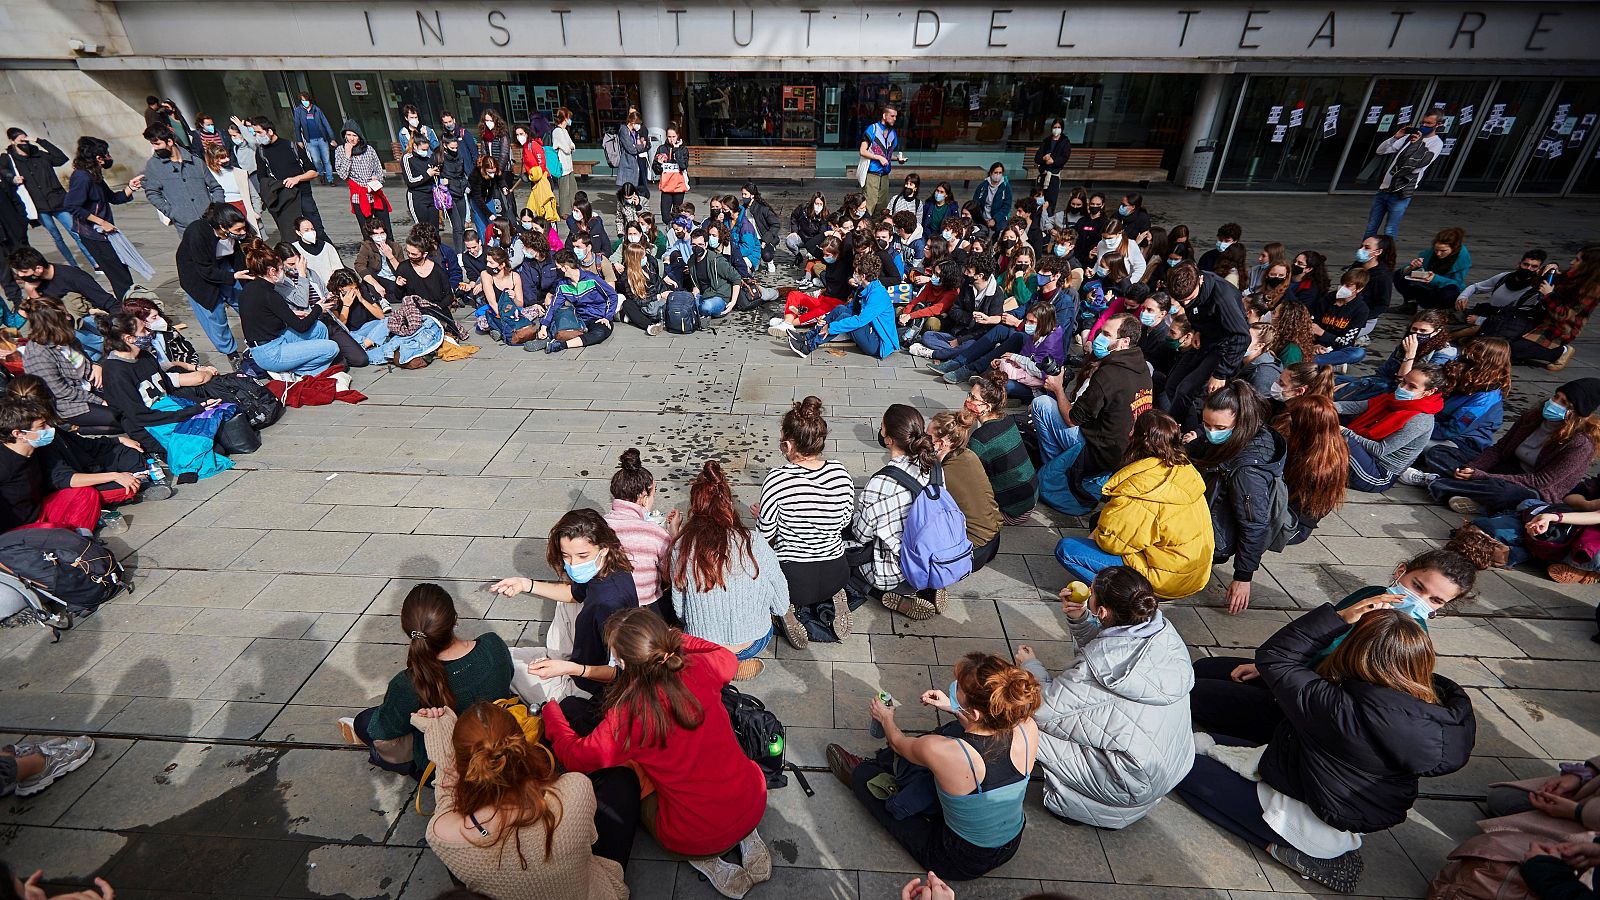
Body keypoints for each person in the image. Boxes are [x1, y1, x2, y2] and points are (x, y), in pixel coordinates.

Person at [1178, 596, 1474, 893]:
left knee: (1174, 765)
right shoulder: (1439, 708)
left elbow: (1275, 657)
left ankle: (1285, 849)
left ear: (1355, 652)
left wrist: (1341, 616)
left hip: (1305, 820)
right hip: (1339, 804)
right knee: (1204, 743)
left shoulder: (1339, 707)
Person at [543, 608, 772, 899]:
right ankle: (747, 835)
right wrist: (678, 639)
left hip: (695, 836)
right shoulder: (701, 668)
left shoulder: (626, 715)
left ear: (624, 662)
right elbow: (724, 655)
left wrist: (551, 711)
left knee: (634, 776)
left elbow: (577, 756)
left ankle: (708, 860)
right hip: (753, 799)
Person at [827, 652, 1041, 882]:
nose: (954, 687)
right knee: (951, 730)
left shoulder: (943, 751)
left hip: (959, 859)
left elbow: (898, 743)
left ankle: (864, 775)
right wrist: (954, 707)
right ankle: (900, 772)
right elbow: (985, 726)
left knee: (865, 777)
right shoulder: (1027, 727)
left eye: (959, 688)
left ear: (977, 712)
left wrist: (885, 718)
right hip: (1011, 843)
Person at [1019, 565, 1193, 829]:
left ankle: (1076, 804)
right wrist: (1081, 621)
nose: (1086, 594)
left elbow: (1042, 709)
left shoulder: (1093, 672)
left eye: (1091, 593)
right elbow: (1114, 651)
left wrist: (1030, 667)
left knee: (1021, 725)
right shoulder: (1162, 632)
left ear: (1102, 611)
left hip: (1128, 783)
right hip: (1168, 766)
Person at [410, 700, 633, 900]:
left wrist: (440, 745)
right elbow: (590, 838)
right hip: (589, 892)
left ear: (461, 766)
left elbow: (447, 802)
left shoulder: (442, 833)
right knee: (623, 781)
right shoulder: (574, 788)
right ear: (522, 745)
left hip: (474, 833)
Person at [337, 584, 513, 778]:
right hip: (503, 749)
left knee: (367, 721)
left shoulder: (408, 683)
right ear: (455, 619)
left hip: (445, 772)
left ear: (409, 632)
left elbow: (382, 730)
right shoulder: (492, 645)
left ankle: (386, 755)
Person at [488, 509, 638, 712]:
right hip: (577, 661)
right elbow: (573, 594)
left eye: (582, 555)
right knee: (501, 654)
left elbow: (621, 672)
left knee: (499, 665)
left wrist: (567, 669)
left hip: (587, 688)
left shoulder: (609, 603)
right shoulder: (610, 569)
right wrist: (526, 584)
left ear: (604, 549)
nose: (573, 564)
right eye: (566, 556)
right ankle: (555, 659)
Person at [1054, 410, 1213, 598]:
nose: (1129, 433)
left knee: (1067, 550)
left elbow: (1112, 543)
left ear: (1139, 439)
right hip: (1193, 575)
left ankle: (1123, 597)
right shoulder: (1183, 469)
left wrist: (1101, 530)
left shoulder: (1142, 485)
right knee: (1098, 521)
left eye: (1133, 429)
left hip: (1165, 581)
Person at [669, 460, 787, 680]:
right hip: (752, 642)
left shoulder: (682, 545)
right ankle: (735, 664)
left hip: (702, 644)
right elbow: (781, 603)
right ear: (728, 504)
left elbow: (680, 609)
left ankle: (716, 666)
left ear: (695, 507)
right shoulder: (756, 541)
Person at [1414, 378, 1600, 516]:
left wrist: (1483, 475)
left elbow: (1540, 482)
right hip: (1504, 469)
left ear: (1577, 413)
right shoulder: (1532, 417)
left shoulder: (1580, 444)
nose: (1554, 404)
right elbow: (1499, 449)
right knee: (1440, 452)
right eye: (1556, 397)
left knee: (1502, 491)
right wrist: (1475, 468)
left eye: (1564, 403)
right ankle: (1464, 494)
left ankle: (1437, 483)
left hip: (1532, 488)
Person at [756, 397, 855, 649]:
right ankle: (835, 595)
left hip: (793, 581)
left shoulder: (777, 478)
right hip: (837, 571)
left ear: (789, 444)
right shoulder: (840, 472)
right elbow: (844, 522)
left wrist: (768, 520)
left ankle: (784, 608)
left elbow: (764, 537)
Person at [1030, 313, 1152, 508]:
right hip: (1122, 450)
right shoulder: (1142, 367)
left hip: (1098, 451)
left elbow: (1072, 419)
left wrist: (1058, 389)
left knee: (1042, 404)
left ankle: (1057, 471)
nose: (1098, 338)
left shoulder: (1110, 374)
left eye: (1106, 334)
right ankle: (1060, 466)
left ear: (1124, 342)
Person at [1187, 383, 1284, 614]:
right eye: (1206, 424)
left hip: (1216, 538)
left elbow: (1254, 524)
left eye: (1219, 427)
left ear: (1240, 422)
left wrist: (1242, 577)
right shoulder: (1254, 433)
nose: (1211, 432)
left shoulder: (1247, 472)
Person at [847, 404, 947, 620]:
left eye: (882, 427)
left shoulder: (882, 482)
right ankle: (929, 585)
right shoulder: (934, 467)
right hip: (932, 557)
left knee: (845, 560)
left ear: (889, 439)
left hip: (893, 571)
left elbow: (861, 534)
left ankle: (888, 593)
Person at [0, 394, 148, 535]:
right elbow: (63, 479)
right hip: (17, 529)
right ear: (19, 434)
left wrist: (118, 441)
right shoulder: (5, 464)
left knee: (85, 495)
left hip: (41, 509)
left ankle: (79, 537)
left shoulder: (36, 449)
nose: (49, 429)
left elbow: (87, 444)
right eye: (42, 426)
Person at [1158, 262, 1250, 429]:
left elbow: (1242, 336)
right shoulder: (1185, 283)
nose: (1185, 304)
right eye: (1182, 301)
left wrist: (1221, 373)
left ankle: (1179, 431)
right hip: (1206, 338)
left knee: (1186, 391)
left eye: (1190, 299)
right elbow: (1199, 313)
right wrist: (1197, 330)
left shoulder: (1223, 296)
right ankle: (1185, 423)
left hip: (1225, 347)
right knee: (1172, 385)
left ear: (1200, 280)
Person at [1338, 364, 1445, 493]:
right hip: (1364, 455)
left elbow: (1380, 450)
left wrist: (1345, 431)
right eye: (1403, 382)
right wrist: (1323, 405)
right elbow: (1357, 406)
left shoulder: (1420, 420)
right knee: (1329, 418)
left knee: (1340, 437)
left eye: (1412, 386)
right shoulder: (1394, 399)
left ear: (1429, 391)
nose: (1403, 388)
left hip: (1378, 475)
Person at [238, 244, 341, 375]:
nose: (284, 271)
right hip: (270, 352)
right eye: (281, 268)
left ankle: (307, 361)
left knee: (319, 328)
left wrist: (290, 314)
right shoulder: (270, 294)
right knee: (332, 348)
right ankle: (302, 371)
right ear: (271, 271)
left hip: (273, 339)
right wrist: (318, 308)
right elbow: (301, 326)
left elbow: (262, 316)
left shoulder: (250, 288)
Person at [16, 301, 114, 434]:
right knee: (118, 418)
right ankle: (79, 430)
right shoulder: (38, 354)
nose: (69, 317)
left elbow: (84, 361)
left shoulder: (66, 337)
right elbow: (60, 391)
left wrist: (96, 365)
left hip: (90, 386)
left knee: (127, 407)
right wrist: (99, 401)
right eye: (64, 314)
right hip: (69, 403)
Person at [63, 137, 143, 299]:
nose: (109, 157)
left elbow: (113, 198)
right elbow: (71, 206)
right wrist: (101, 222)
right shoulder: (82, 177)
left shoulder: (94, 175)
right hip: (94, 235)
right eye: (106, 154)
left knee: (122, 274)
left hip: (105, 235)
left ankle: (132, 307)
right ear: (98, 158)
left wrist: (130, 188)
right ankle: (130, 312)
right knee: (119, 277)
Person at [5, 129, 93, 268]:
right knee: (57, 237)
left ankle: (94, 263)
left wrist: (40, 141)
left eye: (26, 140)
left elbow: (61, 158)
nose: (25, 143)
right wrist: (13, 179)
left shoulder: (39, 154)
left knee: (75, 232)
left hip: (57, 200)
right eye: (21, 141)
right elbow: (4, 174)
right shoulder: (10, 160)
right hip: (38, 206)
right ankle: (73, 265)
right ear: (12, 141)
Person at [174, 203, 250, 362]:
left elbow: (239, 256)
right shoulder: (197, 232)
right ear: (223, 227)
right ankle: (232, 354)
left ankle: (258, 339)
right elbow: (204, 269)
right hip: (198, 277)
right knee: (215, 316)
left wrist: (245, 277)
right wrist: (233, 277)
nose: (242, 232)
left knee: (246, 302)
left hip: (224, 266)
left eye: (243, 228)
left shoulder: (236, 232)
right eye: (238, 230)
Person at [788, 251, 898, 360]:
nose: (854, 275)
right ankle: (807, 337)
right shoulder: (864, 288)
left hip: (878, 343)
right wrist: (826, 320)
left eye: (856, 272)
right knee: (841, 309)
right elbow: (850, 308)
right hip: (870, 330)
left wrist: (831, 328)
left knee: (843, 317)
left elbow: (860, 321)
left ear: (863, 276)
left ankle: (808, 347)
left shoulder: (878, 295)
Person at [928, 411, 1002, 572]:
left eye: (928, 438)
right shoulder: (969, 455)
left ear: (940, 444)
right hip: (994, 540)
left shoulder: (940, 475)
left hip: (971, 552)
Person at [963, 374, 1039, 524]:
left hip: (1013, 512)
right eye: (969, 395)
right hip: (1030, 500)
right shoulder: (1007, 420)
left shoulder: (980, 439)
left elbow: (966, 476)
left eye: (973, 398)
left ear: (988, 406)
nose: (967, 401)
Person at [1511, 243, 1600, 372]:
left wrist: (1549, 295)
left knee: (1513, 350)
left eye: (1577, 260)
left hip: (1557, 330)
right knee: (1500, 340)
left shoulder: (1591, 290)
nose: (1571, 262)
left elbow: (1563, 315)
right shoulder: (1572, 275)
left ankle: (1561, 352)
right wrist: (1550, 270)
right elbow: (1537, 284)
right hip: (1538, 318)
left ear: (1588, 266)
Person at [1334, 309, 1451, 402]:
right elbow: (1382, 373)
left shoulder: (1443, 354)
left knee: (1372, 388)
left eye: (1423, 331)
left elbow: (1403, 383)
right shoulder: (1406, 342)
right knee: (1337, 381)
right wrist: (1357, 383)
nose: (1417, 334)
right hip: (1384, 382)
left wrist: (1410, 355)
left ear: (1436, 332)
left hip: (1405, 392)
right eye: (1414, 329)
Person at [1364, 112, 1444, 239]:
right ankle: (1364, 257)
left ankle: (1387, 257)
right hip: (1385, 187)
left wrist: (1417, 144)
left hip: (1401, 191)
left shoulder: (1436, 143)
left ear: (1438, 125)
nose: (1424, 125)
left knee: (1390, 229)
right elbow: (1380, 151)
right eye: (1422, 122)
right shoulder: (1410, 137)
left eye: (1428, 123)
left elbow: (1417, 165)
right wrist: (1396, 137)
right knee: (1371, 227)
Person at [524, 249, 618, 354]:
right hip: (578, 319)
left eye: (557, 268)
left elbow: (612, 295)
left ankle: (561, 344)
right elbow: (553, 306)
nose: (556, 270)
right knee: (557, 324)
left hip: (598, 318)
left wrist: (607, 317)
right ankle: (547, 338)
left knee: (600, 333)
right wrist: (544, 326)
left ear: (565, 268)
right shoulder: (562, 285)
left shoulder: (592, 279)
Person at [251, 117, 324, 241]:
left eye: (259, 132)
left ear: (270, 131)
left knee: (316, 230)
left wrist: (297, 178)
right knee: (291, 235)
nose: (257, 136)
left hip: (303, 196)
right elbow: (262, 179)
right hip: (283, 199)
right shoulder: (261, 152)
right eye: (255, 133)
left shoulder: (291, 146)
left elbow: (313, 172)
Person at [142, 123, 224, 233]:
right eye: (153, 144)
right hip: (186, 227)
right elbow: (152, 193)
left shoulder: (196, 162)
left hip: (211, 223)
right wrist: (172, 213)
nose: (155, 148)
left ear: (170, 142)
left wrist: (216, 209)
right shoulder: (153, 166)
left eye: (157, 144)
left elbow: (216, 187)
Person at [334, 124, 393, 237]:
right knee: (367, 231)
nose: (351, 138)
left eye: (354, 135)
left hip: (375, 193)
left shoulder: (369, 149)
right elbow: (342, 174)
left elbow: (379, 170)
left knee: (386, 228)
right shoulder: (340, 151)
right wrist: (348, 155)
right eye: (348, 135)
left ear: (359, 136)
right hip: (359, 196)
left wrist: (377, 178)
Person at [1394, 227, 1472, 312]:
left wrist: (1434, 278)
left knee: (1450, 291)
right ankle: (1410, 304)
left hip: (1442, 292)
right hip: (1424, 288)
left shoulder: (1462, 259)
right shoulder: (1430, 253)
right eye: (1436, 250)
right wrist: (1411, 267)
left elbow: (1457, 284)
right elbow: (1407, 269)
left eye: (1443, 251)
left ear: (1454, 249)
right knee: (1399, 274)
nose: (1438, 253)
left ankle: (1442, 311)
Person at [1310, 269, 1371, 367]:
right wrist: (1315, 344)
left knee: (1358, 353)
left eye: (1348, 285)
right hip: (1315, 344)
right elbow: (1312, 324)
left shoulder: (1361, 310)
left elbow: (1346, 341)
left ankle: (1315, 362)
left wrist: (1322, 333)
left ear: (1359, 289)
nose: (1342, 288)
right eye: (1342, 284)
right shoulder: (1327, 299)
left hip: (1336, 348)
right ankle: (1328, 364)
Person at [859, 105, 901, 213]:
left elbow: (886, 155)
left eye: (895, 116)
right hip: (872, 173)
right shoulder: (873, 129)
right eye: (892, 116)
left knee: (881, 207)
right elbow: (863, 151)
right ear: (884, 115)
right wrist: (878, 158)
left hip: (885, 175)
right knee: (869, 206)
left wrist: (897, 158)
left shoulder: (893, 133)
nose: (894, 119)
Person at [292, 92, 336, 185]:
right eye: (303, 100)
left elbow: (326, 124)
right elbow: (297, 126)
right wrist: (299, 140)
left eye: (306, 100)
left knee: (327, 160)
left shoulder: (316, 110)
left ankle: (330, 179)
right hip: (310, 141)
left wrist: (332, 138)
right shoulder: (298, 111)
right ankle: (320, 174)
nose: (305, 102)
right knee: (316, 160)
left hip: (322, 139)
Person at [292, 216, 342, 287]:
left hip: (330, 288)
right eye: (306, 230)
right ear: (298, 232)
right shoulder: (294, 249)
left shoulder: (327, 247)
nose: (311, 232)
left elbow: (338, 269)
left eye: (312, 229)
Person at [1034, 120, 1072, 210]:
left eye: (1059, 127)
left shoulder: (1065, 141)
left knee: (1051, 200)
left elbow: (1064, 157)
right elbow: (1037, 158)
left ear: (1062, 129)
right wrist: (1044, 159)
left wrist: (1053, 161)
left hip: (1054, 175)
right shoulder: (1046, 141)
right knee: (1038, 198)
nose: (1056, 129)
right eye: (1055, 127)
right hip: (1043, 172)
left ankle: (1048, 218)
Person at [613, 111, 650, 200]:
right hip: (627, 163)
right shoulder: (624, 130)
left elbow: (644, 144)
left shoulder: (633, 132)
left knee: (633, 188)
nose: (638, 126)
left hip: (634, 163)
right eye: (637, 123)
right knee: (627, 188)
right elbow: (631, 149)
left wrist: (639, 145)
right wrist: (641, 146)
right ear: (632, 122)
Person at [971, 163, 1013, 236]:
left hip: (998, 216)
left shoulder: (1005, 187)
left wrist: (995, 219)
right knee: (977, 232)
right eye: (995, 172)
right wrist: (980, 217)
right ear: (991, 173)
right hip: (983, 216)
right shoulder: (983, 186)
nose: (998, 175)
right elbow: (975, 202)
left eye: (1000, 173)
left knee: (1002, 230)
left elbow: (1007, 206)